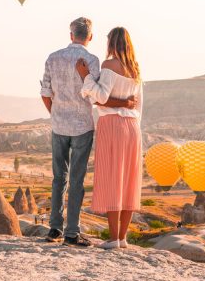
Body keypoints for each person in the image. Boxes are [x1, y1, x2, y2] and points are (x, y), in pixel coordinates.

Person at [41, 17, 137, 246]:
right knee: (76, 179)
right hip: (83, 126)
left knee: (58, 178)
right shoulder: (92, 60)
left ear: (70, 34)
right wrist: (124, 103)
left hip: (59, 125)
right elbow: (96, 95)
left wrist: (55, 114)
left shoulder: (52, 58)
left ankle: (54, 228)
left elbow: (45, 92)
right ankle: (72, 233)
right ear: (90, 37)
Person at [76, 26, 143, 249]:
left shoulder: (109, 64)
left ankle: (113, 238)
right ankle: (122, 238)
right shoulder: (135, 69)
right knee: (128, 181)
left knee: (113, 178)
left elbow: (102, 96)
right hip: (133, 127)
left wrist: (86, 77)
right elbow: (137, 105)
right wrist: (124, 105)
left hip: (112, 125)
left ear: (111, 42)